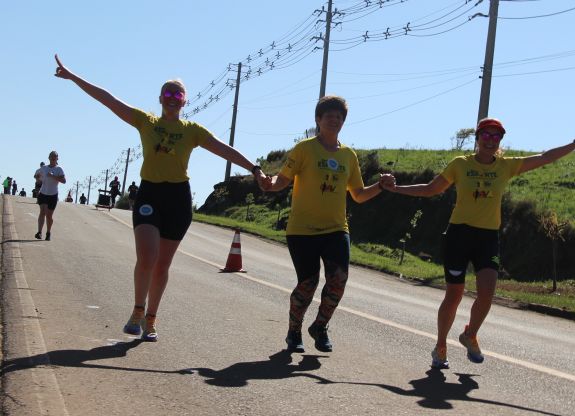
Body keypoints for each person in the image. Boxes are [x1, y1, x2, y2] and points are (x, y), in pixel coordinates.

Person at [54, 54, 267, 342]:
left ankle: (151, 319)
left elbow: (223, 149)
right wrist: (74, 77)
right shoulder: (146, 122)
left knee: (162, 265)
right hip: (149, 194)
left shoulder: (192, 131)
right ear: (160, 98)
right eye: (167, 93)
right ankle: (137, 311)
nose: (172, 97)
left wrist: (254, 169)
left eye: (178, 94)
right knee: (147, 257)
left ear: (184, 101)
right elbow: (109, 99)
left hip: (178, 199)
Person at [381, 117, 575, 368]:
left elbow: (545, 157)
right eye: (487, 135)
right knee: (454, 294)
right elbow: (431, 189)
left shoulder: (505, 166)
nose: (491, 141)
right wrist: (396, 189)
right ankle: (440, 346)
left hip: (487, 237)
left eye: (497, 137)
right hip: (459, 235)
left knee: (487, 293)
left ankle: (469, 334)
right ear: (478, 138)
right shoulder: (460, 164)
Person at [260, 95, 391, 353]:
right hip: (302, 230)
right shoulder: (304, 149)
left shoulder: (348, 156)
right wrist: (269, 184)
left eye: (339, 117)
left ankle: (320, 326)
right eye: (329, 116)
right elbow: (282, 181)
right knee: (308, 283)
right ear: (318, 120)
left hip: (336, 229)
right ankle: (294, 331)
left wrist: (381, 186)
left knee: (338, 281)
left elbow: (359, 194)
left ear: (343, 122)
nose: (334, 120)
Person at [35, 150, 66, 241]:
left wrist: (53, 176)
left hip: (53, 195)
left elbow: (64, 181)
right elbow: (36, 175)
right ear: (48, 158)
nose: (53, 158)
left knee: (49, 215)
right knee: (42, 212)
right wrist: (38, 178)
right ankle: (39, 232)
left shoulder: (59, 169)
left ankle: (48, 232)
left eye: (54, 157)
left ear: (57, 158)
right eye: (51, 156)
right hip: (43, 193)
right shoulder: (44, 168)